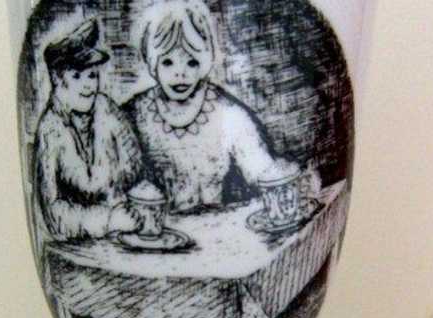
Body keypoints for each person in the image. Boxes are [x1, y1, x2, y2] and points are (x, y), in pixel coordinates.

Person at [125, 0, 306, 214]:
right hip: (152, 231)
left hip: (215, 225)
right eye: (168, 62)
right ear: (152, 62)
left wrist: (289, 186)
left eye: (191, 62)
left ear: (205, 60)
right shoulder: (135, 114)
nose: (180, 73)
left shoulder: (227, 111)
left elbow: (262, 170)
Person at [34, 19, 141, 241]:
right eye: (77, 76)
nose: (88, 85)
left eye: (92, 75)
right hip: (79, 243)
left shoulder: (107, 110)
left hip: (125, 234)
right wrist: (107, 221)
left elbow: (135, 167)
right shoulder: (49, 129)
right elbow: (52, 213)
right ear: (57, 78)